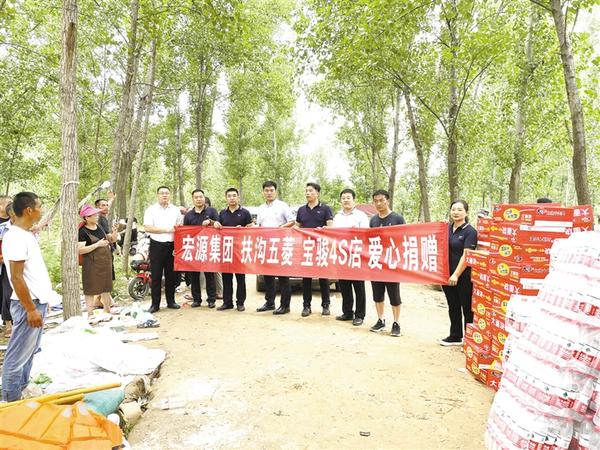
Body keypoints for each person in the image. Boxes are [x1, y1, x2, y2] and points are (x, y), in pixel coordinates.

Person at [1, 192, 52, 401]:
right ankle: (10, 400)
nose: (41, 210)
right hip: (27, 305)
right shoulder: (15, 237)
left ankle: (20, 391)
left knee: (28, 354)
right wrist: (30, 309)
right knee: (16, 357)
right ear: (29, 210)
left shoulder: (25, 234)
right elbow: (16, 277)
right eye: (39, 206)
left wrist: (43, 301)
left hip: (36, 302)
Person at [440, 199, 477, 346]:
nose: (456, 212)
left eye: (460, 210)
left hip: (464, 276)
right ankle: (455, 336)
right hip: (446, 274)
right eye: (453, 209)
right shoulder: (446, 229)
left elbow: (466, 255)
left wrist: (456, 274)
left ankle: (468, 340)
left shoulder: (470, 231)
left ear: (466, 212)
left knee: (467, 308)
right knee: (453, 305)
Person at [369, 189, 405, 337]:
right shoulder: (373, 220)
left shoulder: (397, 218)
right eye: (376, 201)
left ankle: (396, 323)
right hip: (376, 262)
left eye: (381, 200)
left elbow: (404, 238)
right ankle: (380, 320)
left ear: (387, 201)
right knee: (377, 294)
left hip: (392, 263)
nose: (378, 203)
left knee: (394, 295)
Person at [295, 182, 333, 317]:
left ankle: (326, 305)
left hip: (321, 247)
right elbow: (297, 226)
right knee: (306, 278)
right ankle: (306, 306)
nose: (307, 193)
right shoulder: (301, 210)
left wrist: (323, 230)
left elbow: (330, 227)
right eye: (306, 191)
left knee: (323, 277)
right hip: (306, 248)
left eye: (310, 191)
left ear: (317, 193)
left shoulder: (325, 209)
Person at [256, 181, 295, 315]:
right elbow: (259, 226)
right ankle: (269, 302)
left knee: (283, 276)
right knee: (268, 275)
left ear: (276, 191)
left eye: (271, 190)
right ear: (263, 192)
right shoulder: (261, 208)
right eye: (266, 191)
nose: (269, 193)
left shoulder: (283, 206)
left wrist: (280, 228)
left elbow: (292, 221)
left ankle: (285, 305)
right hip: (266, 245)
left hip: (281, 245)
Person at [332, 188, 369, 326]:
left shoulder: (361, 216)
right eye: (343, 198)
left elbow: (366, 233)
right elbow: (333, 234)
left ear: (354, 200)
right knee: (344, 286)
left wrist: (356, 231)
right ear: (340, 201)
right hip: (342, 256)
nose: (346, 200)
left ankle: (359, 315)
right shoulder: (337, 217)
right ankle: (347, 312)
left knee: (358, 286)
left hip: (357, 256)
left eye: (348, 198)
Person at [143, 186, 182, 313]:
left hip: (172, 245)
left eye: (166, 193)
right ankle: (155, 304)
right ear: (157, 195)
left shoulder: (175, 210)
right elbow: (148, 227)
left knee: (171, 275)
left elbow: (179, 228)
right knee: (156, 275)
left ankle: (171, 301)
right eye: (162, 193)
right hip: (156, 245)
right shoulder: (151, 210)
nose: (164, 195)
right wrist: (166, 229)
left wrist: (177, 246)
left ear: (169, 195)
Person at [214, 188, 253, 311]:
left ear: (238, 197)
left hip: (240, 250)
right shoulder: (222, 213)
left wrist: (243, 229)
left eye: (234, 195)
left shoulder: (245, 212)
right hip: (226, 250)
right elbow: (217, 226)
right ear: (226, 198)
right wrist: (215, 224)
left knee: (240, 278)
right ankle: (227, 302)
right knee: (226, 278)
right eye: (229, 196)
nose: (232, 198)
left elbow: (251, 228)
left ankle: (240, 303)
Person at [78, 204, 118, 320]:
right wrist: (97, 245)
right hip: (91, 263)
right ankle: (90, 314)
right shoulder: (82, 231)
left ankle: (107, 310)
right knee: (90, 288)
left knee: (106, 286)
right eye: (94, 215)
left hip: (105, 261)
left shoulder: (99, 227)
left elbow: (112, 239)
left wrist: (115, 232)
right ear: (87, 218)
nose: (97, 216)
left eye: (97, 214)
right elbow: (80, 250)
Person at [183, 189, 219, 308]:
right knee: (194, 276)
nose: (199, 199)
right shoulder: (188, 215)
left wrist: (211, 222)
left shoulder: (212, 211)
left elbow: (219, 225)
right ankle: (197, 299)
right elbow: (185, 233)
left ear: (204, 198)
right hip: (194, 248)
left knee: (210, 275)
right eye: (196, 197)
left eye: (201, 197)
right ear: (193, 199)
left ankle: (211, 299)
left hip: (209, 247)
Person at [0, 196, 13, 338]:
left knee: (8, 292)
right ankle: (7, 322)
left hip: (12, 262)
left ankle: (9, 323)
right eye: (8, 203)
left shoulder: (14, 220)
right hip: (2, 262)